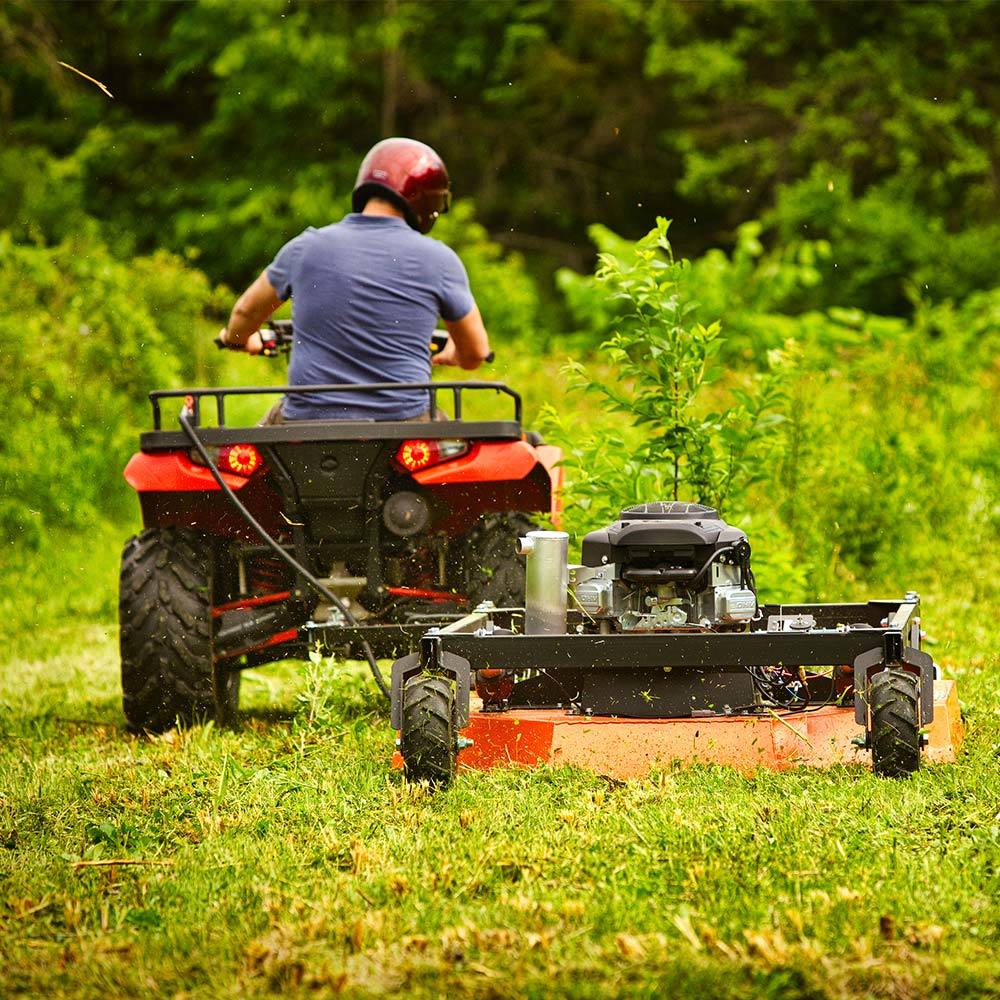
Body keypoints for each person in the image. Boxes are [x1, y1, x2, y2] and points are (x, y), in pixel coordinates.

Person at [215, 137, 491, 422]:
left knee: (250, 456)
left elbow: (245, 311)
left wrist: (237, 339)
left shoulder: (305, 246)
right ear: (428, 200)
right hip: (404, 425)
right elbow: (476, 352)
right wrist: (455, 354)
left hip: (307, 424)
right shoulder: (440, 259)